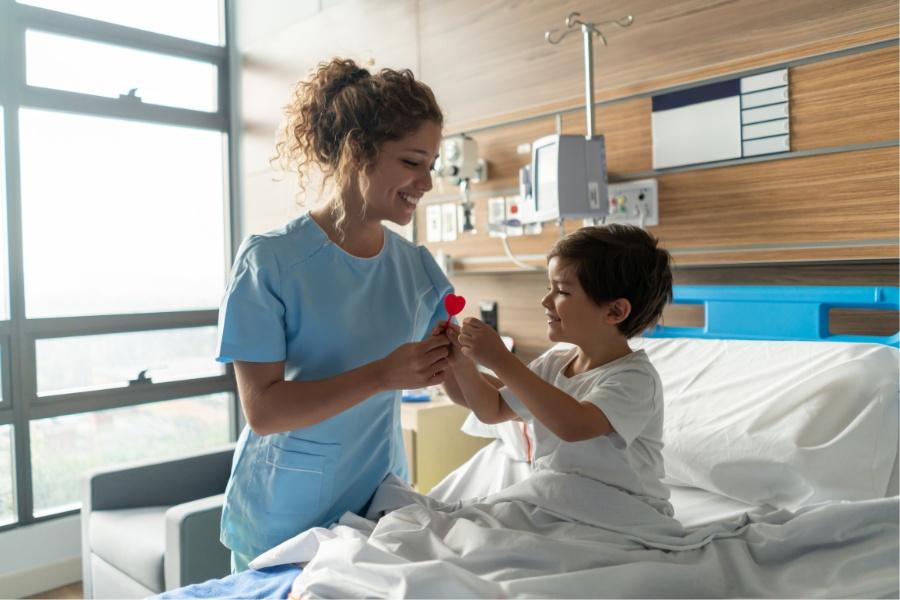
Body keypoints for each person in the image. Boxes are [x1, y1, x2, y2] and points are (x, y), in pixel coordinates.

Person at [216, 58, 453, 571]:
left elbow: (458, 381)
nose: (426, 183)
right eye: (413, 162)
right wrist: (384, 374)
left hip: (376, 509)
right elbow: (263, 410)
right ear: (356, 153)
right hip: (284, 515)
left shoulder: (417, 271)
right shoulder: (271, 262)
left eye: (432, 165)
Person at [437, 224, 674, 513]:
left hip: (621, 513)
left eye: (561, 291)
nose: (545, 300)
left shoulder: (635, 379)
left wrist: (501, 360)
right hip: (558, 502)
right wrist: (456, 364)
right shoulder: (555, 363)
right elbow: (492, 408)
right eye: (549, 288)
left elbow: (573, 425)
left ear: (614, 311)